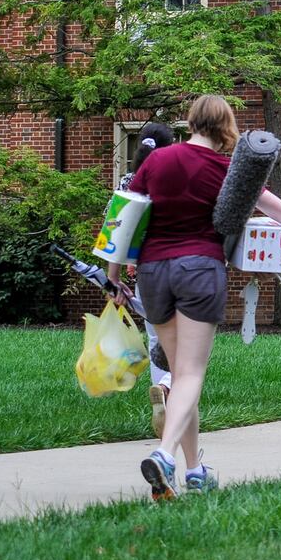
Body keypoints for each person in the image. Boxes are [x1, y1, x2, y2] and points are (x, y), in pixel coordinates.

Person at [109, 95, 281, 499]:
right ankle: (164, 454)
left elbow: (121, 216)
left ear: (192, 121)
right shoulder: (230, 171)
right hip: (200, 270)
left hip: (152, 273)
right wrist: (277, 260)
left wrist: (114, 280)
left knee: (179, 373)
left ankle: (195, 470)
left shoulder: (156, 161)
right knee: (191, 373)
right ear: (227, 126)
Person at [119, 122, 176, 438]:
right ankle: (169, 387)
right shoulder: (179, 179)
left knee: (157, 339)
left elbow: (117, 229)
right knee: (187, 340)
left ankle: (162, 388)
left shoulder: (129, 182)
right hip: (183, 267)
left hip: (145, 270)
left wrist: (121, 270)